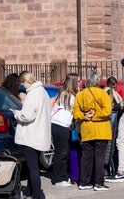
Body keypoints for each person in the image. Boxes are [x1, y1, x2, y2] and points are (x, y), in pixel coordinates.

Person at [11, 71, 51, 199]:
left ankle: (37, 195)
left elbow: (27, 115)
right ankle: (30, 192)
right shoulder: (42, 92)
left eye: (23, 83)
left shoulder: (34, 93)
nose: (23, 86)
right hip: (39, 134)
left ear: (26, 81)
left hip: (31, 135)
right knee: (32, 166)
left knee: (33, 168)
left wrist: (16, 113)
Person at [73, 71, 112, 192]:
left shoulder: (81, 94)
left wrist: (85, 116)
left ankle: (84, 182)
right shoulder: (102, 93)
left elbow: (75, 112)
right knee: (99, 157)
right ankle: (98, 183)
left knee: (86, 157)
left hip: (87, 129)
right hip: (101, 129)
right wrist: (94, 115)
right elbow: (107, 111)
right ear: (98, 80)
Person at [50, 73, 79, 187]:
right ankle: (58, 179)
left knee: (64, 151)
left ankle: (62, 176)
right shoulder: (69, 96)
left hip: (60, 125)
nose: (79, 83)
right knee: (61, 153)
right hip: (60, 125)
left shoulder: (63, 93)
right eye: (78, 81)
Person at [103, 75, 123, 175]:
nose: (116, 88)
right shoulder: (108, 92)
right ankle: (106, 170)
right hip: (111, 119)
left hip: (111, 119)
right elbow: (112, 106)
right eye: (115, 86)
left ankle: (108, 169)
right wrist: (120, 106)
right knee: (109, 146)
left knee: (109, 146)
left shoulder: (109, 92)